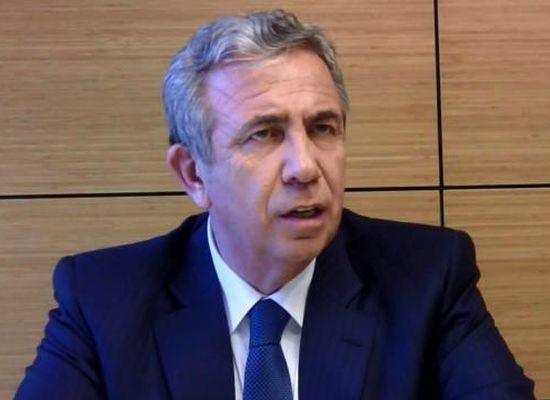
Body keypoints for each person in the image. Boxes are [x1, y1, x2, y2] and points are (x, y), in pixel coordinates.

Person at [15, 9, 534, 400]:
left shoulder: (426, 278)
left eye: (323, 128)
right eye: (264, 134)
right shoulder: (103, 300)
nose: (305, 168)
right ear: (193, 173)